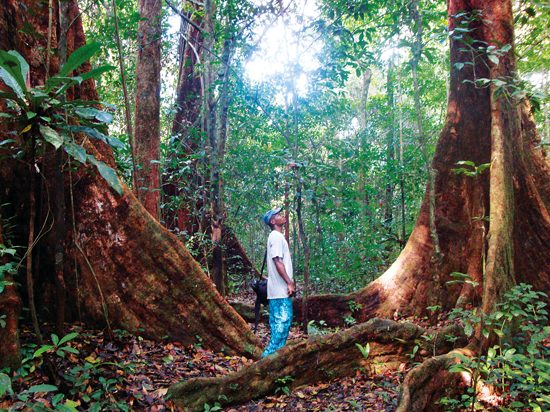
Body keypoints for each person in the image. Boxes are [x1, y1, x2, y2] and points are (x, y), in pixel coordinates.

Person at [261, 207, 295, 358]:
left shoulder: (276, 237)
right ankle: (267, 361)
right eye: (279, 215)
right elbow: (277, 261)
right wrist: (289, 282)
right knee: (281, 327)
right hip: (280, 291)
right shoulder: (275, 236)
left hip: (277, 291)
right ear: (273, 221)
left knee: (279, 327)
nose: (282, 216)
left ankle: (272, 361)